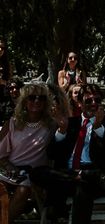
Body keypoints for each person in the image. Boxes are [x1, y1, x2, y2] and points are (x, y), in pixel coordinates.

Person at [31, 84, 105, 223]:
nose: (93, 104)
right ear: (79, 103)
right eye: (88, 101)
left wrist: (98, 126)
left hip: (98, 176)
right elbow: (52, 154)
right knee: (37, 173)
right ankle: (76, 177)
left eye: (97, 100)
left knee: (80, 187)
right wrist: (62, 131)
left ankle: (58, 214)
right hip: (70, 174)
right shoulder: (71, 123)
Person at [0, 83, 55, 221]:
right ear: (24, 101)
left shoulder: (51, 125)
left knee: (23, 189)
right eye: (32, 97)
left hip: (34, 174)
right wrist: (10, 168)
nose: (37, 101)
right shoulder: (12, 123)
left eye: (41, 98)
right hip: (10, 170)